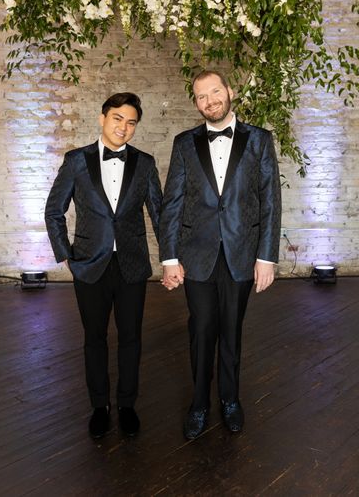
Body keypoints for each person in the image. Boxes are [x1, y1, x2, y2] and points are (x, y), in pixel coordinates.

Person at [159, 70, 281, 440]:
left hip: (242, 254)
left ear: (230, 91)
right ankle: (199, 403)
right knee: (201, 330)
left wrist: (267, 257)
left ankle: (229, 399)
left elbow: (270, 202)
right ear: (195, 103)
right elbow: (173, 203)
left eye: (215, 92)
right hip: (196, 256)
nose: (210, 100)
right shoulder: (184, 143)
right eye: (201, 96)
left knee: (231, 330)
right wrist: (169, 257)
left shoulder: (259, 140)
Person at [45, 92, 162, 439]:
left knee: (131, 338)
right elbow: (54, 211)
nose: (123, 128)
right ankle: (100, 406)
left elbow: (160, 213)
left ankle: (127, 405)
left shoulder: (145, 163)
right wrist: (66, 254)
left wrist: (172, 258)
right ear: (102, 118)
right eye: (117, 119)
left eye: (131, 122)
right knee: (93, 338)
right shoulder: (76, 161)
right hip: (89, 265)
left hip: (131, 264)